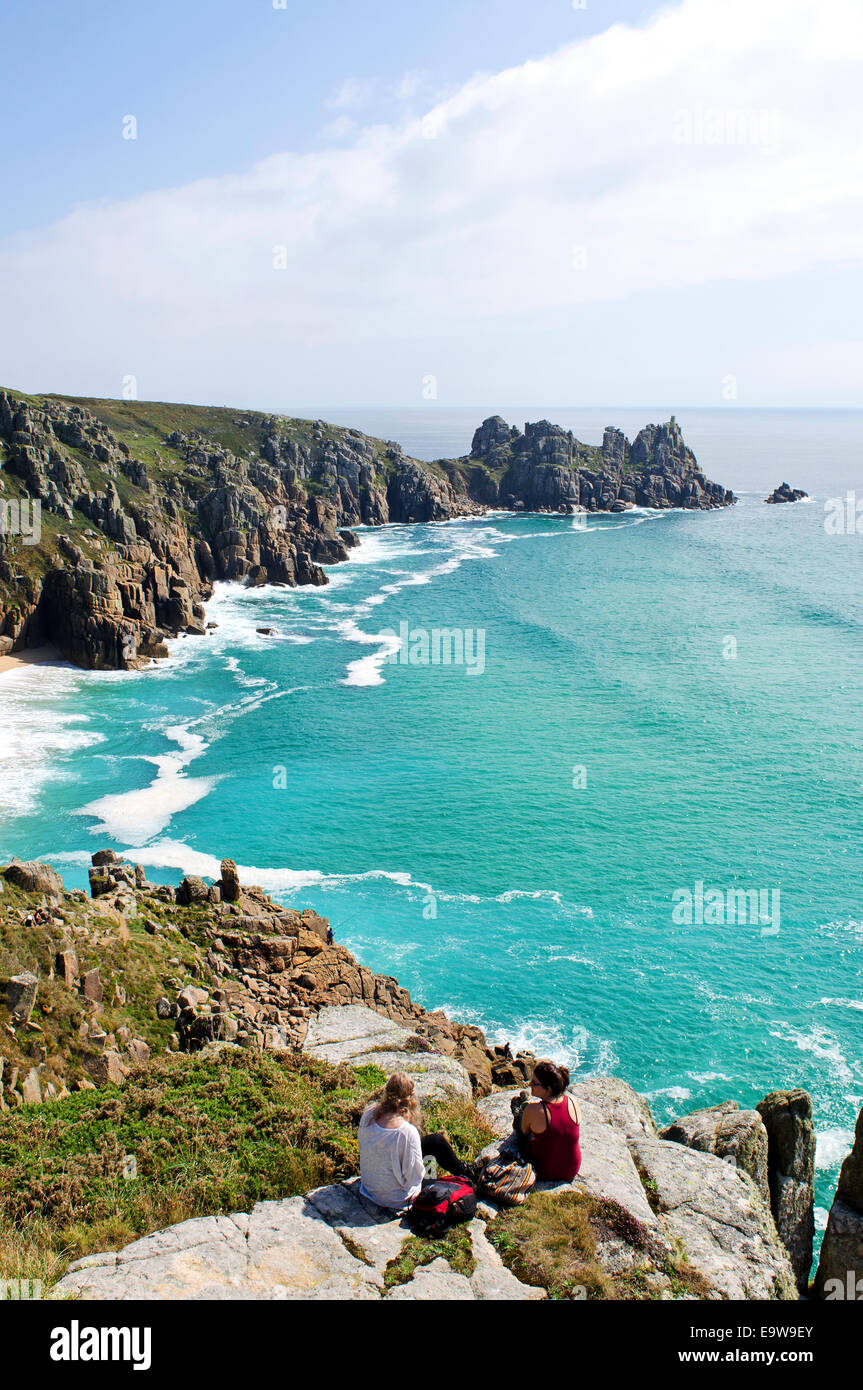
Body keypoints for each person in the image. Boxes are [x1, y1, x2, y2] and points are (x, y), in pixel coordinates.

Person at [358, 1071, 474, 1211]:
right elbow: (414, 1178)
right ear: (411, 1099)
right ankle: (467, 1177)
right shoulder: (406, 1132)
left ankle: (464, 1173)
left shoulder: (369, 1114)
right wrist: (427, 1172)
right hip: (398, 1198)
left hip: (369, 1189)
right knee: (436, 1151)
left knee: (434, 1142)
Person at [516, 1060, 581, 1182]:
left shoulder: (534, 1110)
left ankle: (520, 1109)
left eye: (535, 1083)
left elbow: (523, 1135)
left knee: (521, 1127)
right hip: (571, 1170)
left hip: (546, 1172)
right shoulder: (572, 1101)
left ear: (548, 1089)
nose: (530, 1084)